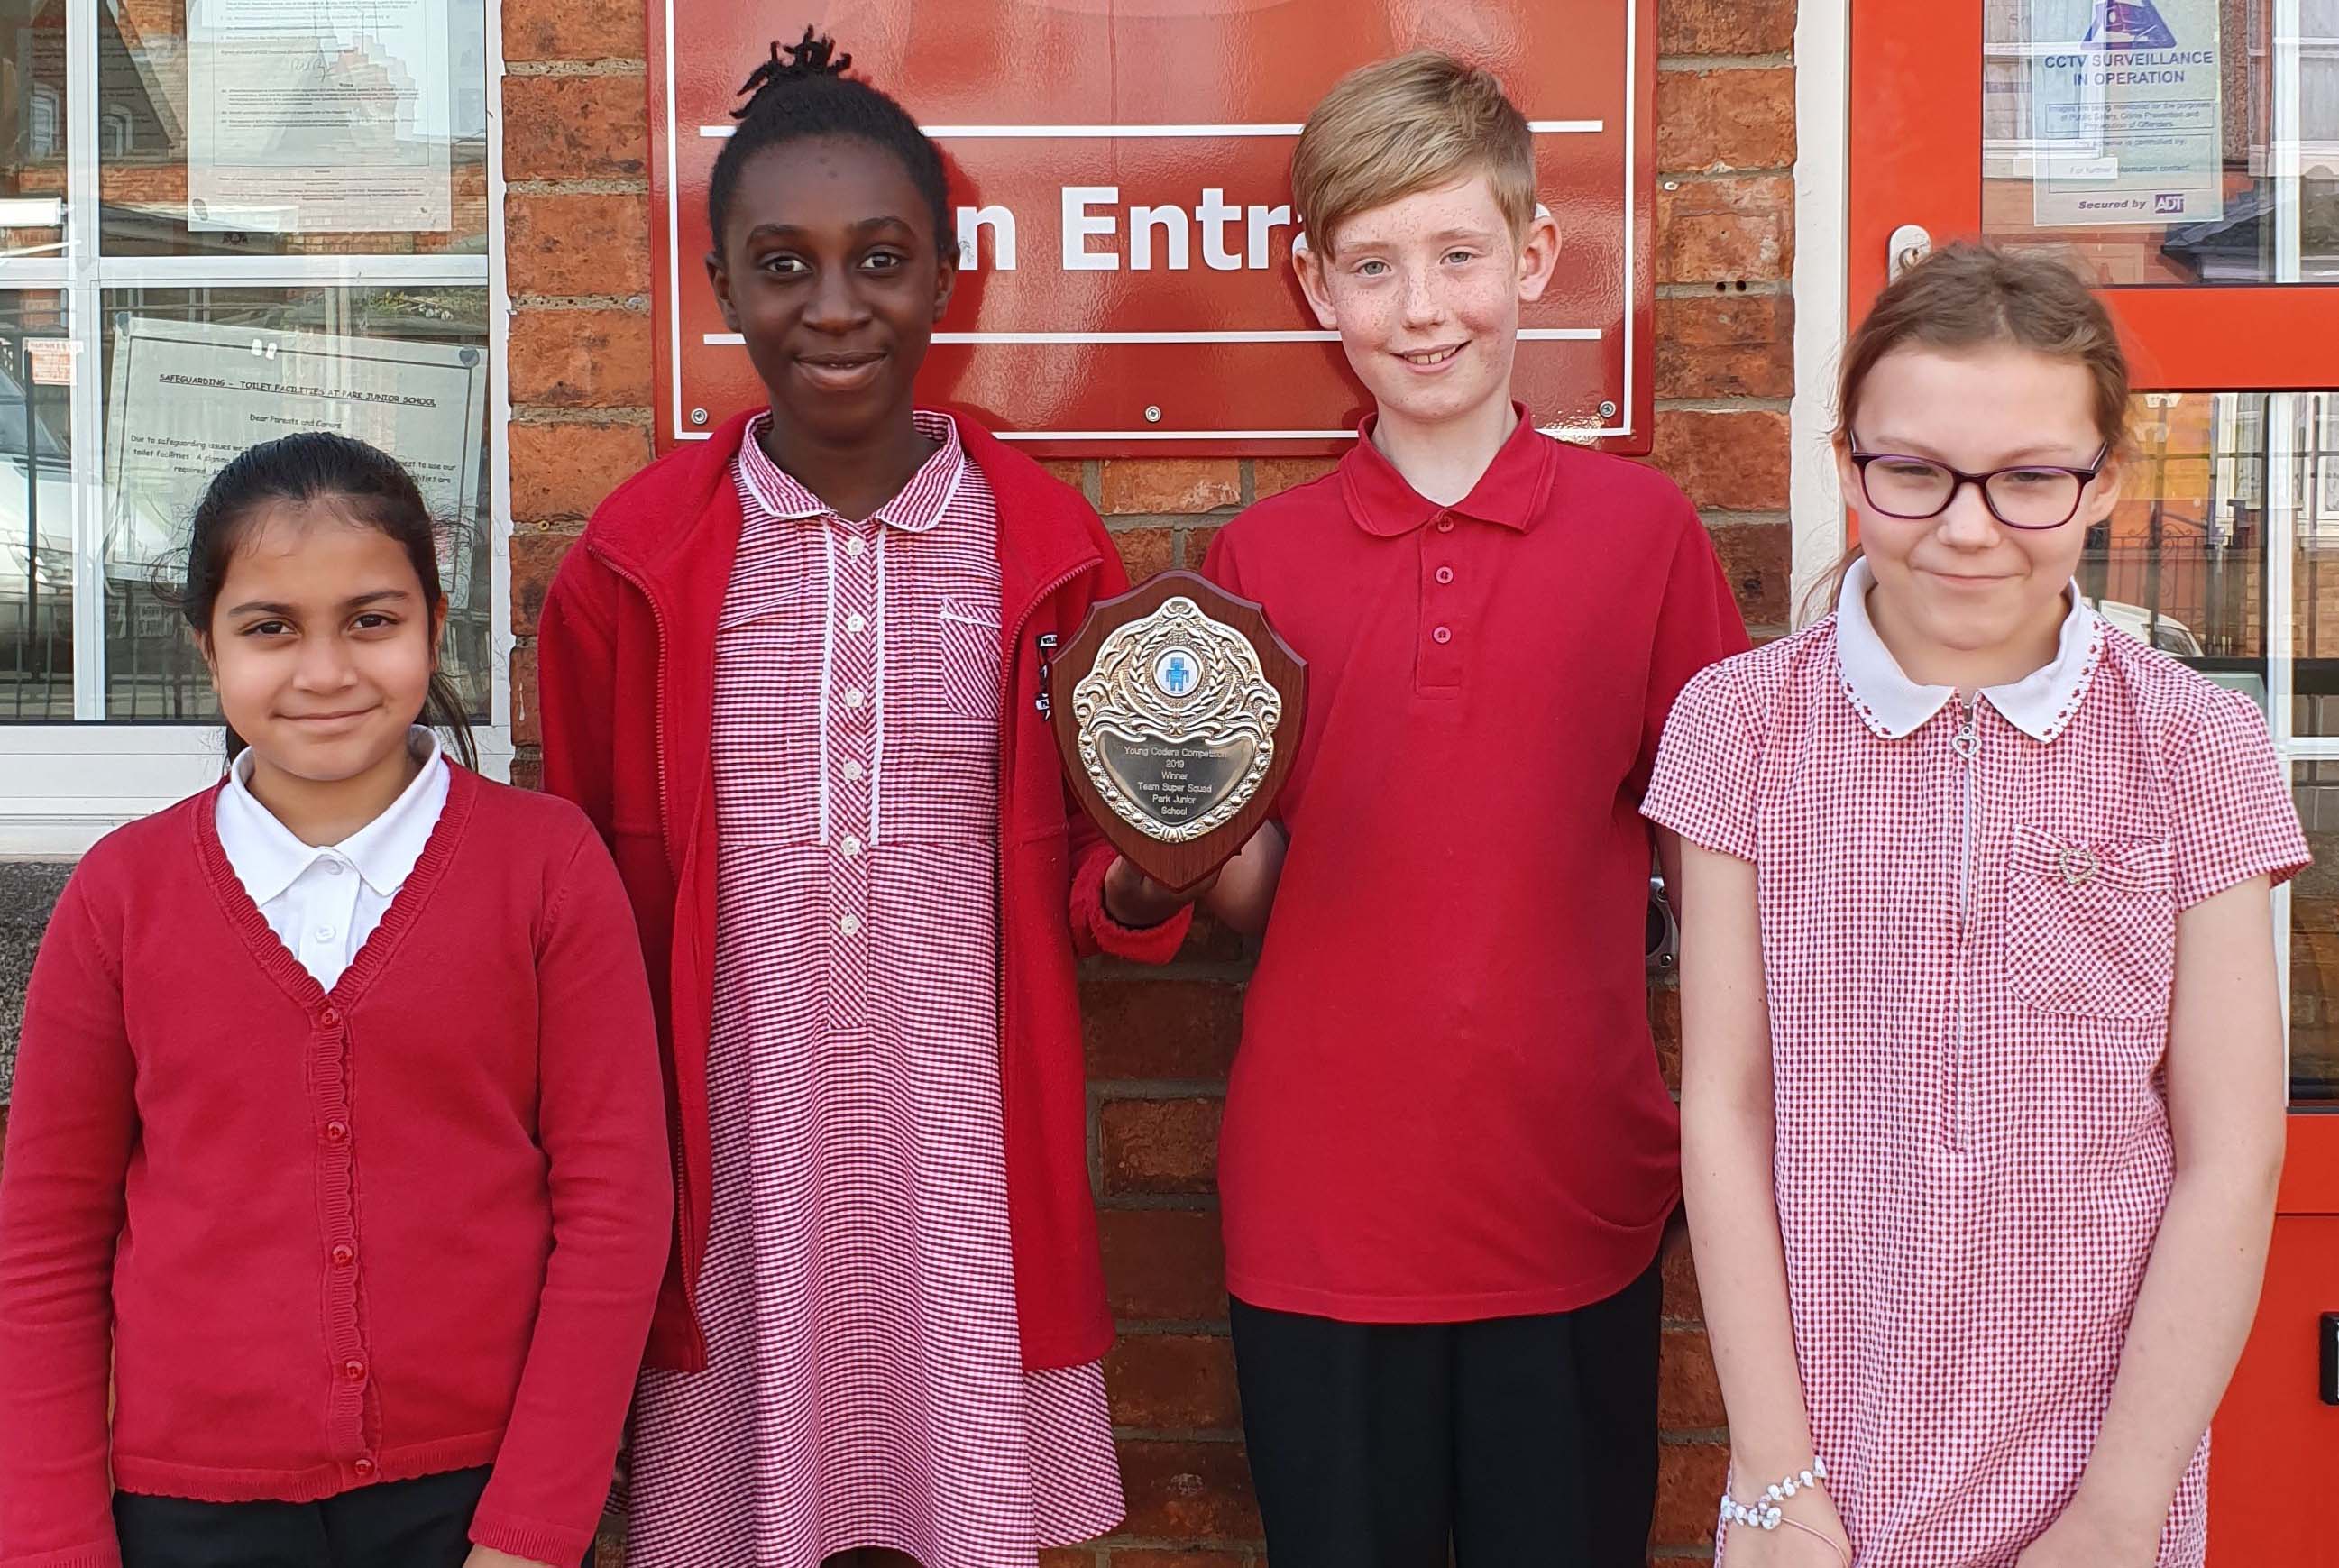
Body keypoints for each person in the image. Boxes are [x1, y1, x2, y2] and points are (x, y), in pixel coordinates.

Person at [535, 31, 1193, 1568]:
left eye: (880, 260)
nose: (834, 307)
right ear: (720, 285)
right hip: (734, 1130)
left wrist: (1145, 881)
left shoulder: (1044, 550)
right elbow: (587, 891)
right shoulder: (629, 563)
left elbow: (1090, 864)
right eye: (783, 265)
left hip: (962, 1124)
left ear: (947, 276)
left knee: (958, 1513)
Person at [1146, 50, 1750, 1567]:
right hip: (1321, 1216)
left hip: (1570, 1203)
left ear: (1532, 255)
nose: (1420, 308)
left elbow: (1720, 865)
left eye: (1457, 255)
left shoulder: (1643, 533)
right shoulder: (1256, 561)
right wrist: (1173, 845)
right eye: (1372, 266)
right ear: (1313, 284)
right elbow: (1258, 887)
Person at [1644, 243, 2304, 1567]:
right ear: (1846, 462)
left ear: (2103, 478)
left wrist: (2116, 1510)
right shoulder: (1736, 726)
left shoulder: (2195, 744)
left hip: (2102, 1483)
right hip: (1820, 1483)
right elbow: (1725, 1107)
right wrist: (1773, 1471)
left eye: (2027, 478)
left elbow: (2230, 1149)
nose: (1964, 527)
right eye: (1914, 470)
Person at [0, 432, 670, 1568]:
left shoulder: (545, 866)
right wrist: (53, 1538)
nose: (323, 672)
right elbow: (48, 1242)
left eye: (370, 619)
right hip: (183, 1508)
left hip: (473, 1498)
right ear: (205, 640)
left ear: (435, 620)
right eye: (270, 627)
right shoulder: (123, 894)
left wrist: (535, 1525)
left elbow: (616, 1209)